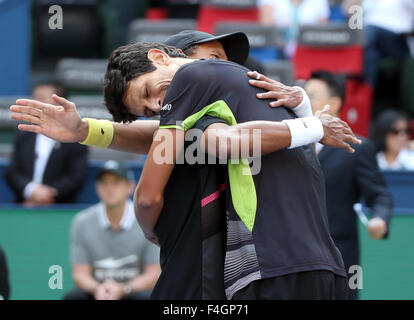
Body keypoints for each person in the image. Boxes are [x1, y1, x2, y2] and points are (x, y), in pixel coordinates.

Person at [10, 42, 358, 299]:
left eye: (148, 93)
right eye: (146, 109)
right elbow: (178, 137)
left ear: (161, 57)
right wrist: (85, 130)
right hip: (329, 270)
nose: (156, 106)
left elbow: (149, 195)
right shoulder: (242, 90)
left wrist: (151, 229)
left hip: (271, 271)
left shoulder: (190, 76)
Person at [299, 70, 393, 299]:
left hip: (340, 257)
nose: (303, 101)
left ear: (334, 103)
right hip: (294, 257)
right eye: (300, 94)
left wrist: (379, 219)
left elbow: (379, 195)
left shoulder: (357, 148)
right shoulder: (290, 143)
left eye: (311, 95)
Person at [64, 160, 160, 300]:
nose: (110, 188)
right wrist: (98, 289)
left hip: (132, 292)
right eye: (104, 182)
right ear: (97, 188)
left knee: (147, 297)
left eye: (116, 182)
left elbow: (154, 274)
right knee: (74, 297)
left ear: (130, 187)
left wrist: (124, 289)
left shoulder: (147, 220)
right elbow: (80, 274)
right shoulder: (82, 222)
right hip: (99, 292)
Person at [5, 82, 88, 205]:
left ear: (60, 103)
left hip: (60, 208)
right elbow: (12, 172)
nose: (36, 104)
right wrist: (31, 191)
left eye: (42, 99)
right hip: (24, 206)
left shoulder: (74, 138)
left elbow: (76, 177)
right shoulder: (23, 134)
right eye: (35, 98)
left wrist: (48, 194)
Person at [258, 0, 330, 57]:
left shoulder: (320, 1)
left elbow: (321, 33)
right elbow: (267, 29)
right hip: (278, 49)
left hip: (308, 50)